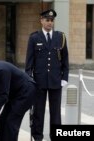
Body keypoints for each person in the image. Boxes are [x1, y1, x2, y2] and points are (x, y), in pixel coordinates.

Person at [25, 9, 69, 141]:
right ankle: (37, 137)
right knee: (38, 111)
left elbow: (65, 60)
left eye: (52, 20)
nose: (50, 23)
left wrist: (64, 78)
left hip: (56, 80)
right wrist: (29, 80)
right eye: (47, 20)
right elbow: (29, 63)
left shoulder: (60, 37)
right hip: (39, 81)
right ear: (41, 21)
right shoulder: (34, 38)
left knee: (56, 112)